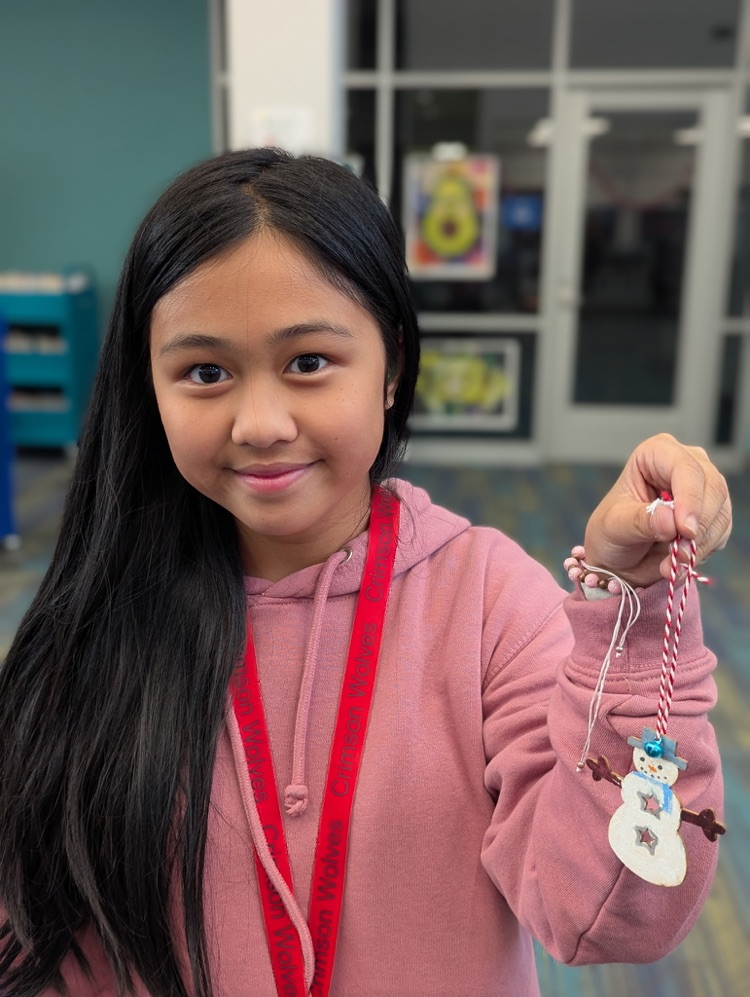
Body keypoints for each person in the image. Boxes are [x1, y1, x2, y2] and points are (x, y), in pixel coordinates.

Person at [0, 148, 732, 997]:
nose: (261, 423)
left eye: (308, 362)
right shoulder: (97, 620)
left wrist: (633, 618)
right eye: (205, 372)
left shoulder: (489, 602)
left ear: (391, 368)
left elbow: (605, 914)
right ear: (149, 387)